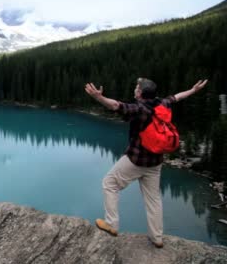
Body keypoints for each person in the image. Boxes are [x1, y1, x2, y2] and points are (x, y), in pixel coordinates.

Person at [84, 77, 208, 248]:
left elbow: (116, 106)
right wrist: (193, 90)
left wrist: (98, 97)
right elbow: (177, 97)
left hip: (136, 160)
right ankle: (156, 237)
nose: (134, 89)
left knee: (109, 184)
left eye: (136, 87)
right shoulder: (162, 104)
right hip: (155, 163)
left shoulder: (139, 109)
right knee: (154, 199)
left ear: (140, 93)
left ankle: (111, 224)